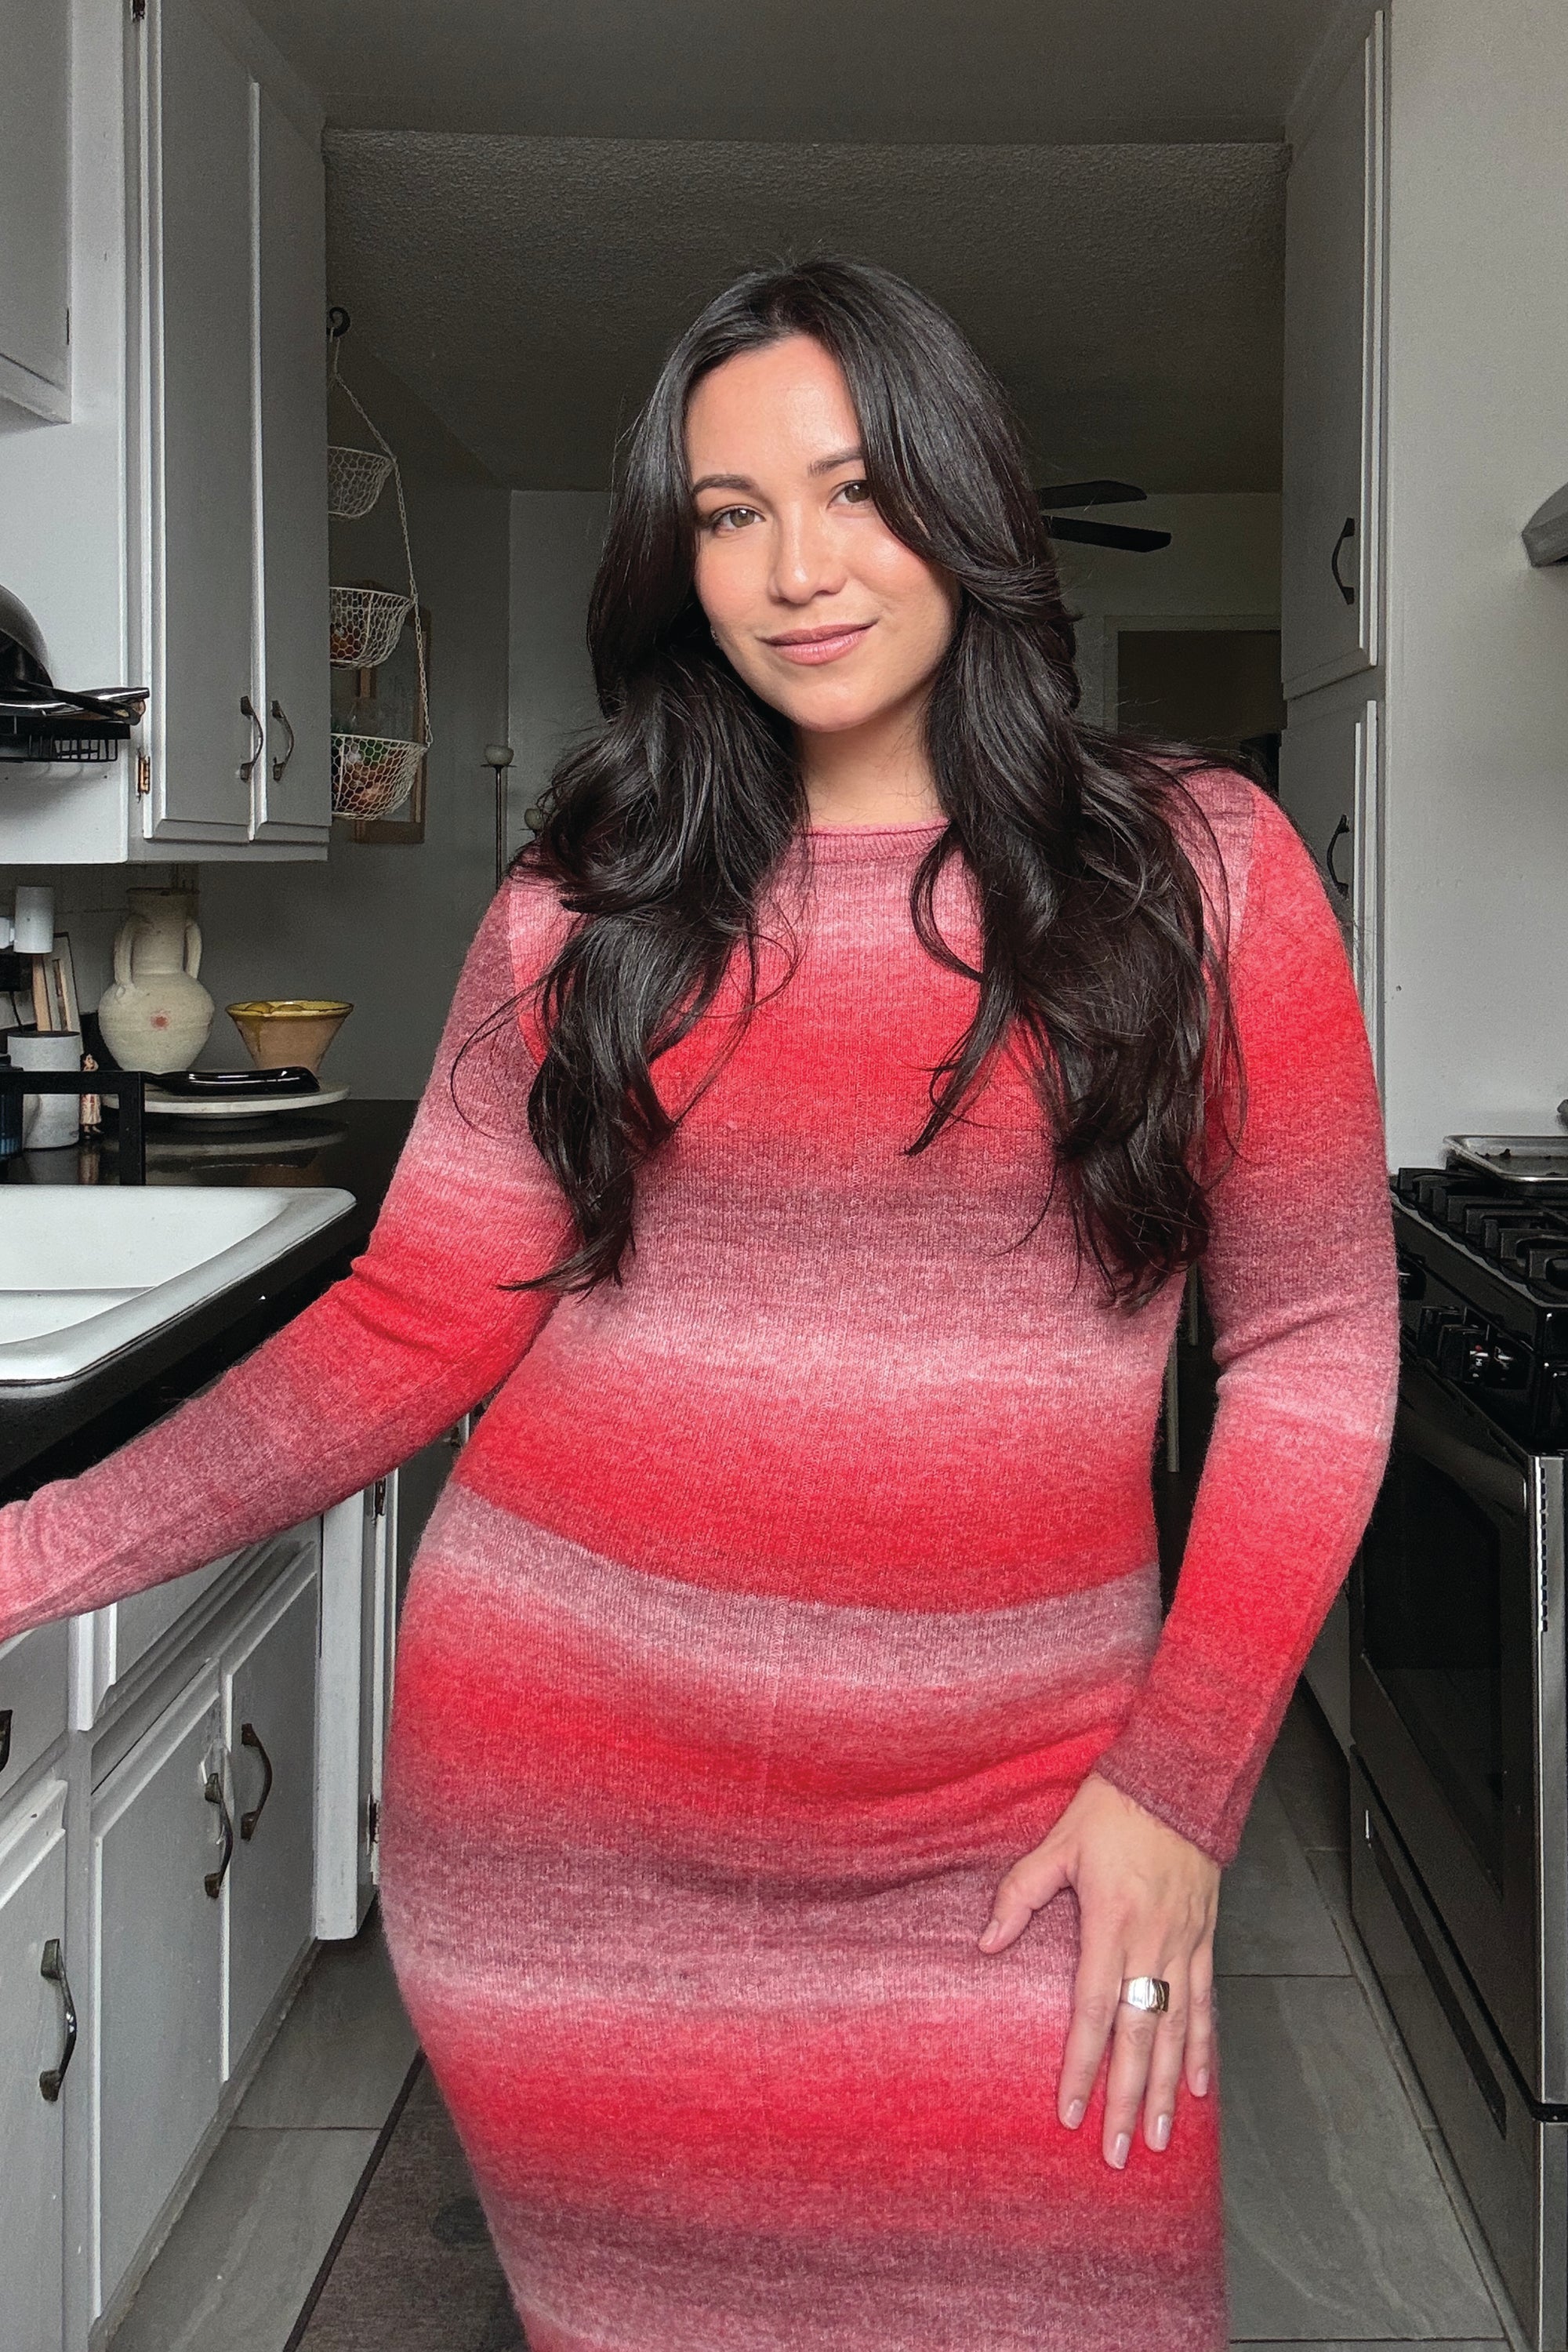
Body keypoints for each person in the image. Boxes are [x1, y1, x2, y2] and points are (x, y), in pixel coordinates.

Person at [0, 258, 1398, 2352]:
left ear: (968, 502)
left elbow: (1313, 1349)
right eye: (731, 515)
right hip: (569, 1834)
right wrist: (28, 1553)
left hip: (1028, 1831)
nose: (796, 570)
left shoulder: (1199, 870)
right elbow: (412, 1326)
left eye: (856, 492)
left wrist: (1184, 1784)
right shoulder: (593, 895)